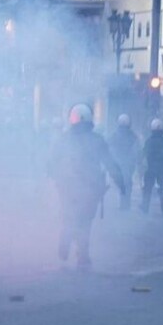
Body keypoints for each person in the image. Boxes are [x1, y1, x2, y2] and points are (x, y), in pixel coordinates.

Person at [47, 104, 125, 270]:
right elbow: (110, 163)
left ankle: (66, 238)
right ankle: (82, 254)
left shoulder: (63, 139)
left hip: (67, 186)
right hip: (90, 187)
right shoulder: (96, 140)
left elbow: (51, 162)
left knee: (68, 215)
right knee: (85, 221)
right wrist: (120, 182)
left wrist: (54, 178)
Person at [140, 119, 163, 216]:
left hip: (150, 169)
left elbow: (143, 154)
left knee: (147, 189)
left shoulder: (149, 141)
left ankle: (145, 207)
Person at [108, 114, 139, 211]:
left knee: (122, 184)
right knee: (128, 184)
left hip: (119, 163)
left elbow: (109, 147)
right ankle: (127, 204)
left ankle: (123, 204)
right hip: (128, 163)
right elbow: (137, 149)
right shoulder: (133, 136)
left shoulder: (115, 134)